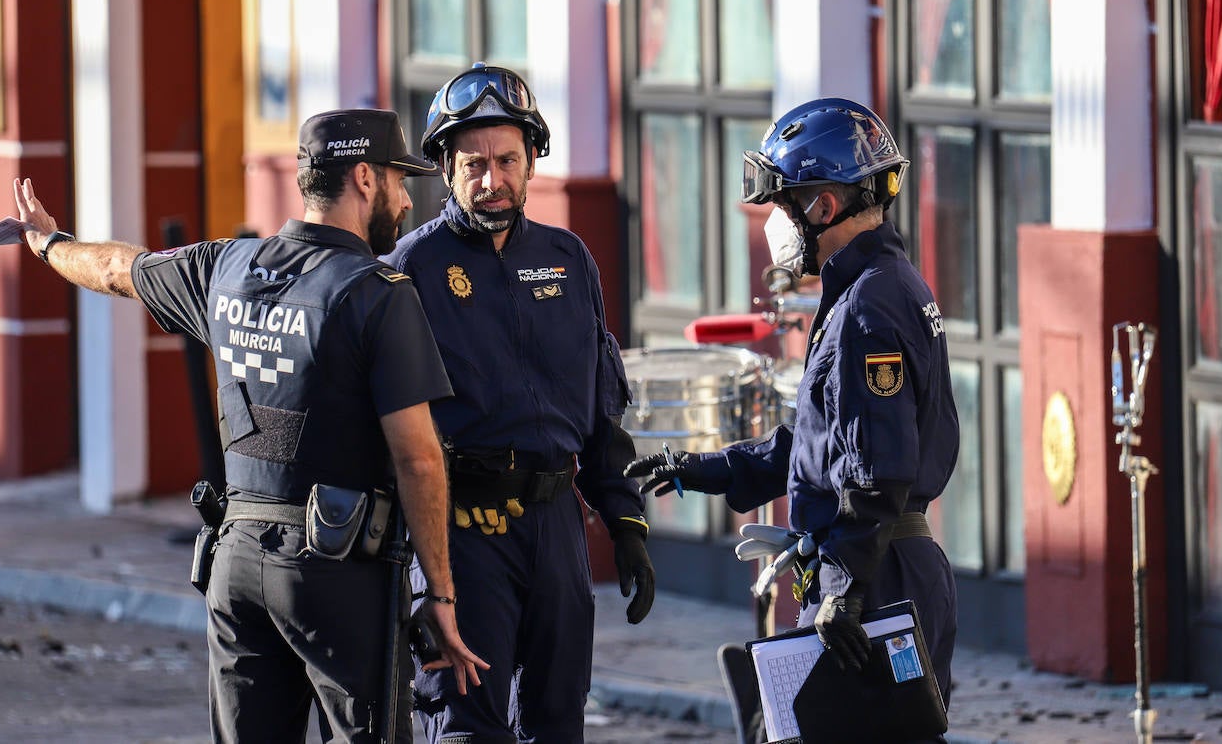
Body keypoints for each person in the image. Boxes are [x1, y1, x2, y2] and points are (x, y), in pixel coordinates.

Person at [9, 108, 489, 743]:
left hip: (235, 567)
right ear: (365, 178)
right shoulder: (378, 294)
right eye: (401, 180)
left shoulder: (227, 268)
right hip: (336, 576)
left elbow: (116, 270)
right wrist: (442, 598)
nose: (406, 199)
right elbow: (420, 460)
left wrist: (48, 244)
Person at [625, 97, 960, 717]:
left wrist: (844, 588)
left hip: (875, 582)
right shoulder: (877, 287)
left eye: (780, 205)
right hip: (878, 572)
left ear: (821, 206)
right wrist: (707, 468)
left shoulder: (867, 307)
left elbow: (878, 468)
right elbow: (819, 443)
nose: (772, 223)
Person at [381, 63, 655, 743]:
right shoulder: (410, 269)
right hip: (460, 531)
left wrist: (626, 524)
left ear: (533, 160)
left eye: (507, 160)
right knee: (467, 724)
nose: (492, 179)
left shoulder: (569, 259)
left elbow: (600, 407)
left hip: (556, 525)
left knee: (559, 721)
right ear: (444, 168)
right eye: (474, 164)